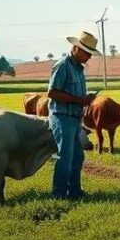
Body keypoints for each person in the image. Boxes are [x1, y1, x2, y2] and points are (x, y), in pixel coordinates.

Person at [47, 30, 100, 199]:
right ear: (76, 47)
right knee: (66, 157)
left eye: (90, 54)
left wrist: (86, 99)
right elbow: (52, 93)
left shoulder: (78, 69)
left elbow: (74, 93)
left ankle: (75, 192)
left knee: (77, 156)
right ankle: (59, 195)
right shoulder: (63, 65)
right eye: (87, 53)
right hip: (62, 117)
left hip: (74, 118)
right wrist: (80, 100)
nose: (89, 57)